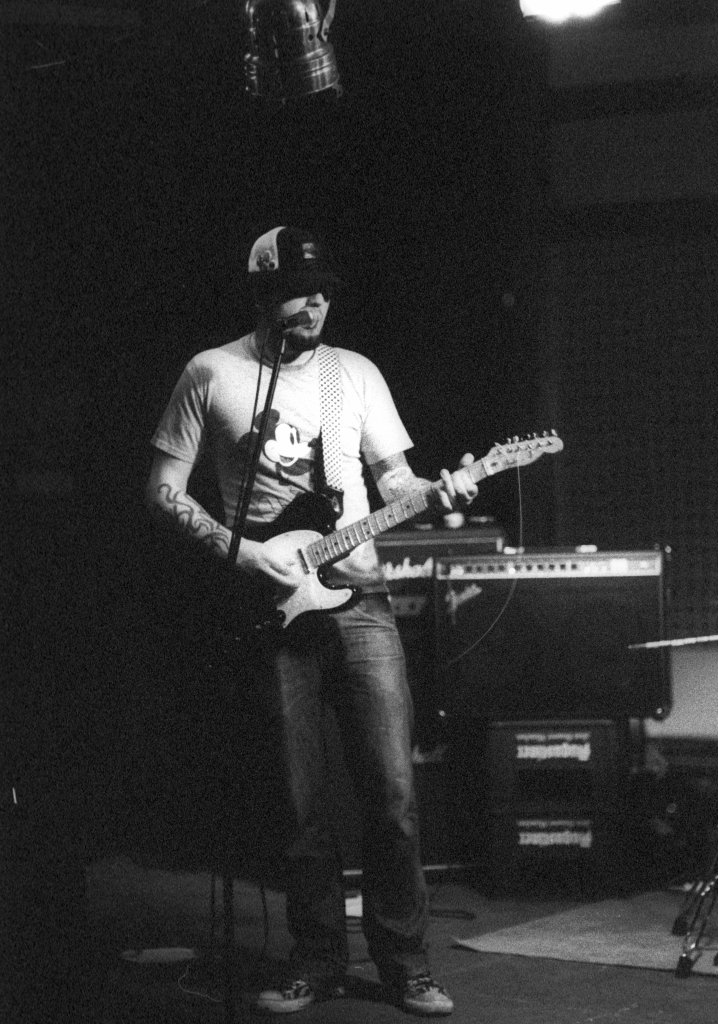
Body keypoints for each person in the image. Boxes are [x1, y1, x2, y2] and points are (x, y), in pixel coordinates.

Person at [145, 226, 478, 1016]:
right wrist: (243, 554)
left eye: (326, 288)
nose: (317, 301)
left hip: (361, 600)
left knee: (392, 795)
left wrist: (443, 489)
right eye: (300, 289)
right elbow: (162, 489)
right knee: (299, 806)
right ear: (264, 292)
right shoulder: (211, 373)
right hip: (273, 603)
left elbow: (395, 478)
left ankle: (407, 966)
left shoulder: (352, 375)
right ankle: (318, 958)